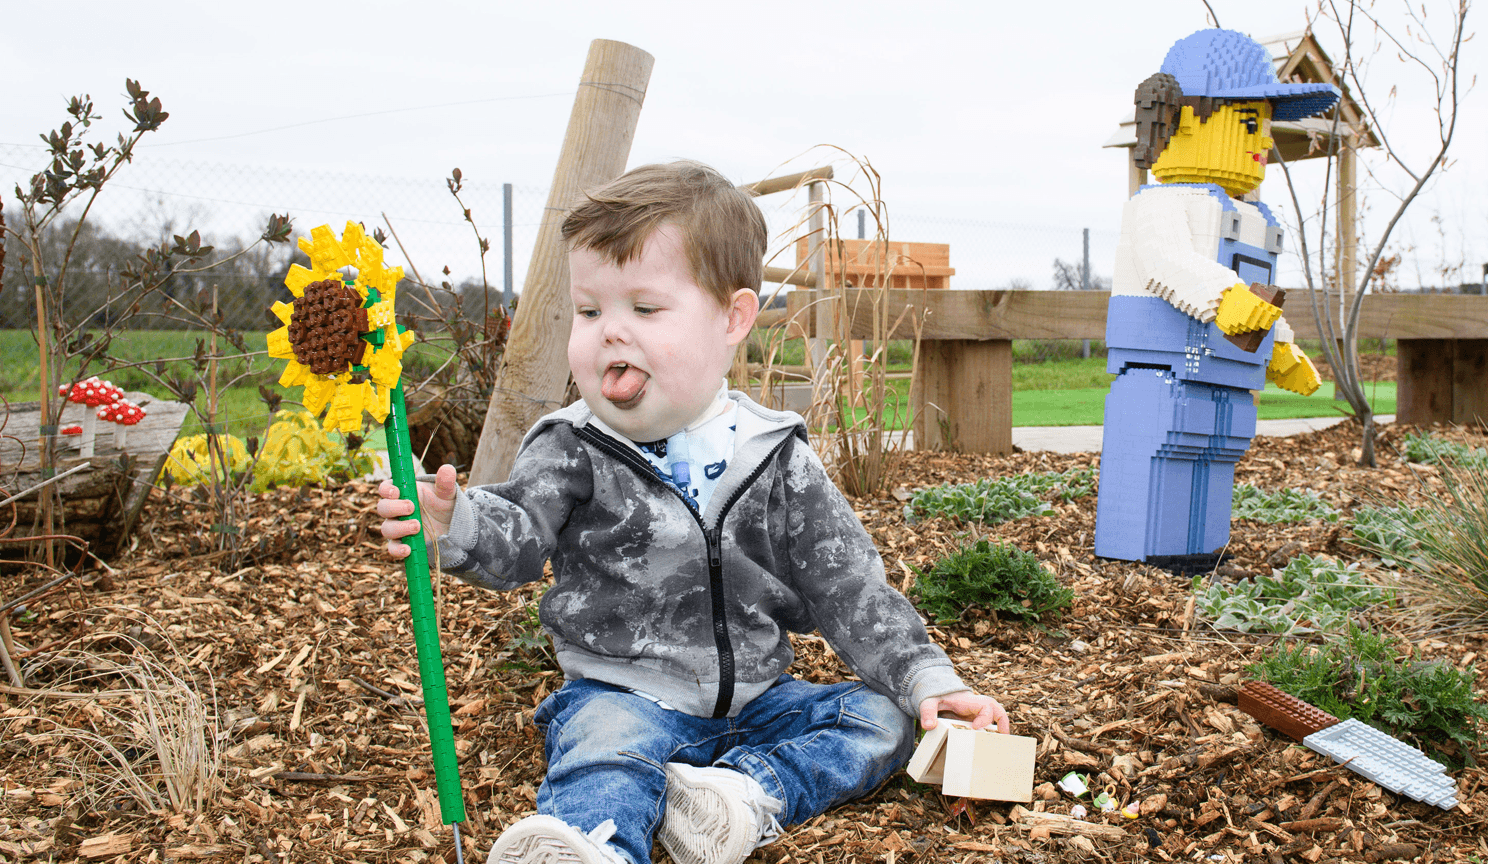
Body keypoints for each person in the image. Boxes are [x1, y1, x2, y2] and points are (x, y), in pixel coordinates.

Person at [377, 160, 1009, 864]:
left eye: (644, 310)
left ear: (734, 317)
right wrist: (455, 523)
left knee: (881, 719)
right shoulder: (574, 446)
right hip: (625, 693)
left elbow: (850, 588)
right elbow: (519, 533)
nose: (610, 333)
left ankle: (738, 798)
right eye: (589, 311)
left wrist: (929, 681)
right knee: (605, 755)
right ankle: (596, 846)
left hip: (760, 703)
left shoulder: (775, 457)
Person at [1094, 29, 1338, 570]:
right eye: (1249, 123)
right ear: (1185, 116)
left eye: (1266, 126)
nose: (1262, 143)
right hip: (1160, 368)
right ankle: (1143, 551)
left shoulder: (1254, 218)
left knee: (1217, 452)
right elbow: (1167, 264)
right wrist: (1227, 301)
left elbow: (1260, 295)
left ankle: (1199, 552)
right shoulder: (1158, 205)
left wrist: (1278, 346)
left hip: (1227, 368)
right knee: (1158, 448)